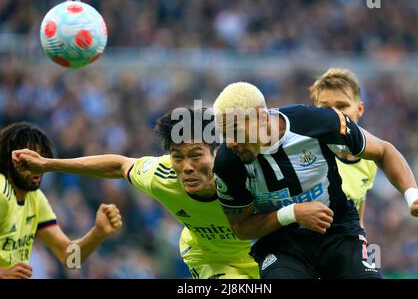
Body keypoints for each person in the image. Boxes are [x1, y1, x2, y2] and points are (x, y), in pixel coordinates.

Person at [212, 81, 418, 279]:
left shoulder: (317, 123)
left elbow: (384, 151)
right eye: (225, 134)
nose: (230, 142)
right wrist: (292, 212)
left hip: (338, 231)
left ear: (262, 117)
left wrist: (413, 197)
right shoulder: (227, 162)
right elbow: (241, 227)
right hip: (279, 246)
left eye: (235, 130)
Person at [13, 108, 259, 279]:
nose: (186, 167)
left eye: (196, 155)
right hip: (212, 260)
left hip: (265, 252)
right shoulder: (162, 176)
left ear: (217, 152)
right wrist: (47, 164)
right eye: (178, 157)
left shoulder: (250, 173)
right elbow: (119, 165)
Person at [0, 122, 122, 279]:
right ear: (9, 160)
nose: (37, 168)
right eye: (29, 160)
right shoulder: (2, 193)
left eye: (41, 159)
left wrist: (98, 233)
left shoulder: (35, 198)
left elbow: (69, 259)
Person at [309, 68, 376, 228]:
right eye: (325, 107)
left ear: (359, 109)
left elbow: (358, 221)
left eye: (342, 106)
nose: (334, 115)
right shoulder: (305, 154)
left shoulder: (370, 159)